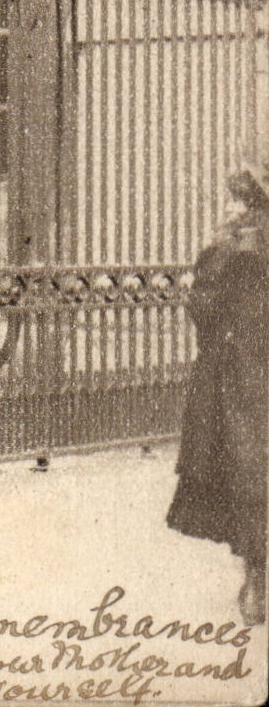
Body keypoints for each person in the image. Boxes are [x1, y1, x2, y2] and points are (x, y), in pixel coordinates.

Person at [166, 158, 269, 626]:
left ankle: (257, 584)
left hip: (247, 376)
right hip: (248, 372)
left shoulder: (234, 243)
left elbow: (203, 307)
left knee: (251, 478)